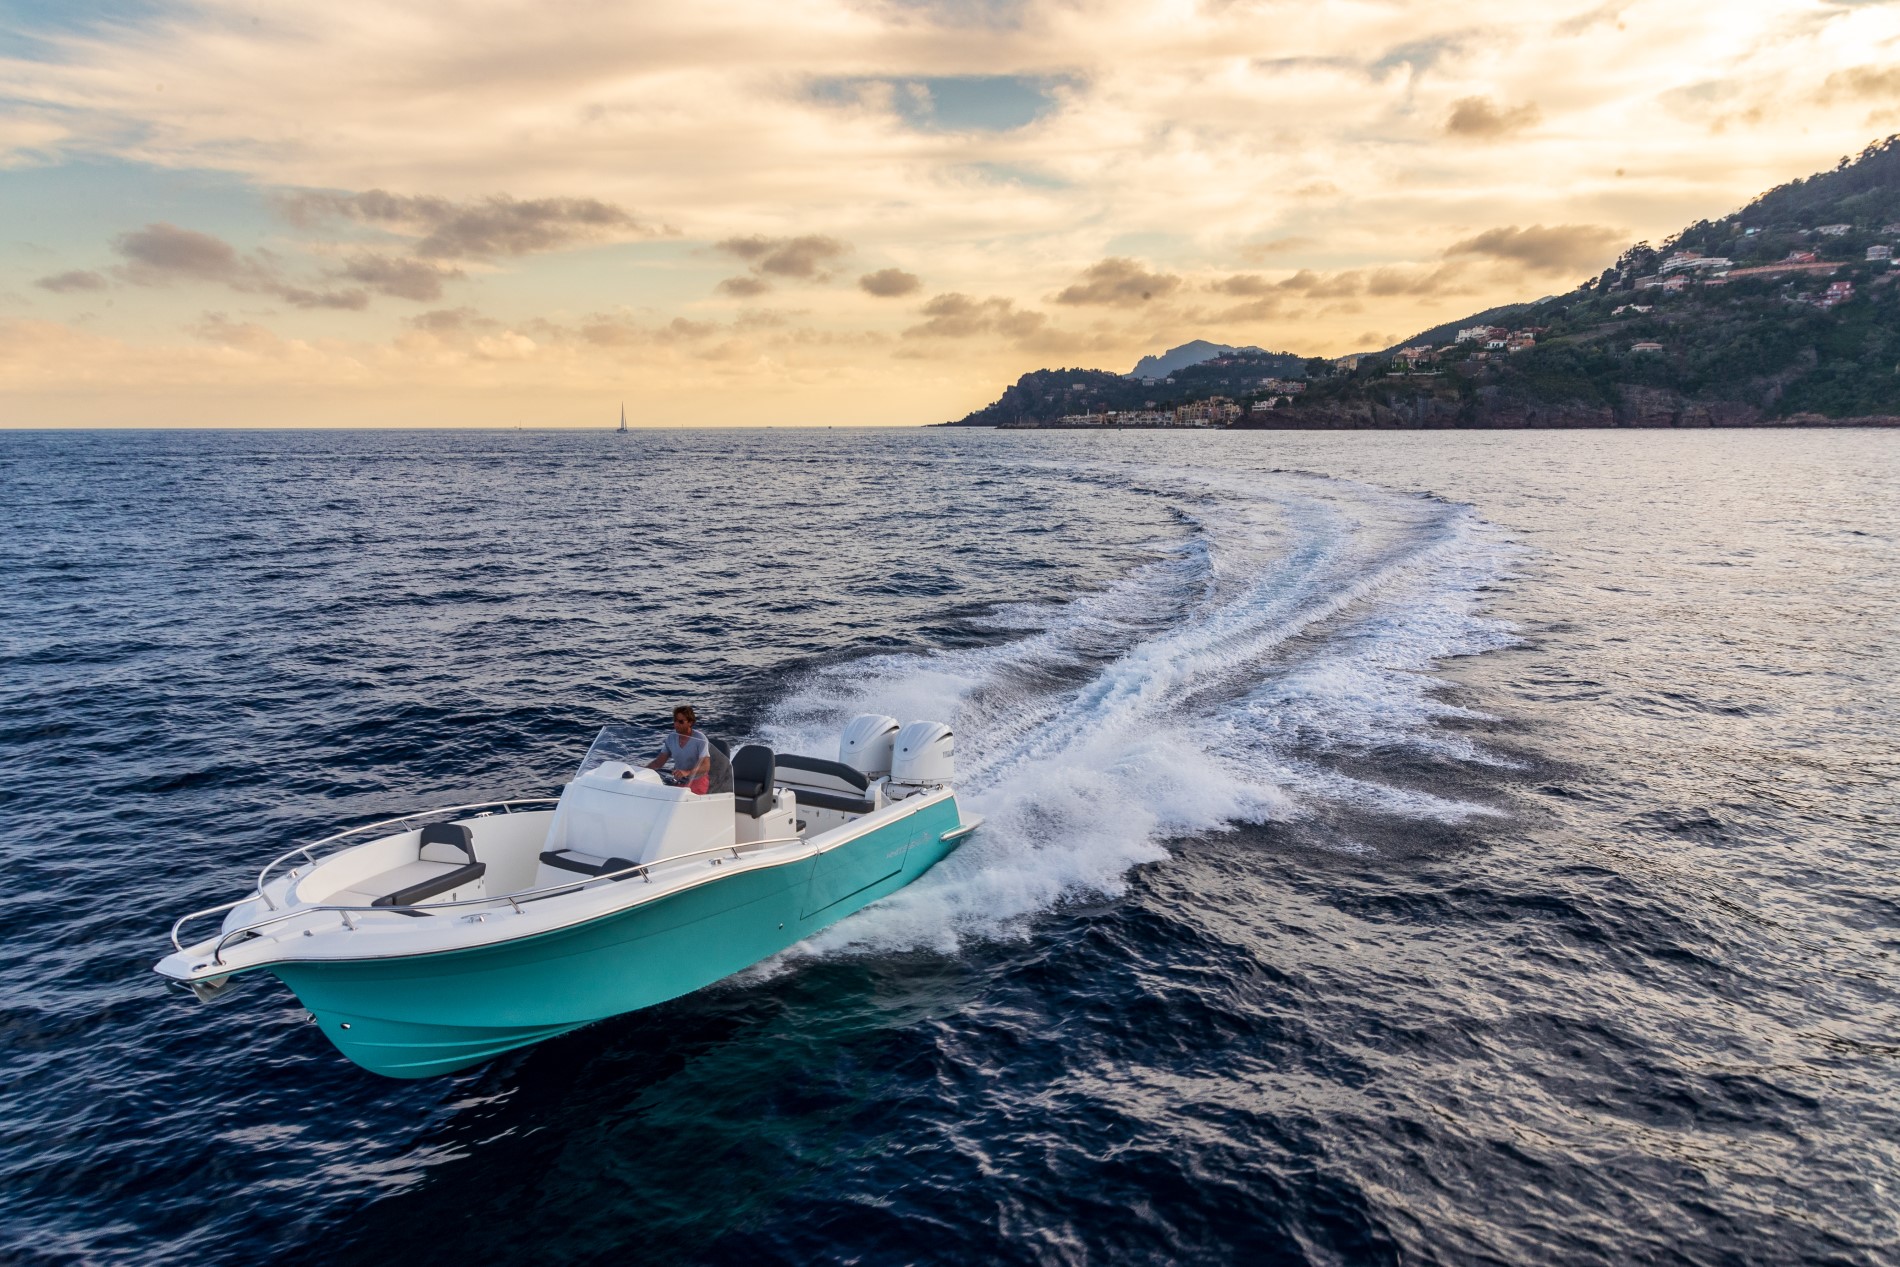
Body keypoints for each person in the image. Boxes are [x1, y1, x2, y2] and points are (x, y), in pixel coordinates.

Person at [647, 705, 711, 794]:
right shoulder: (671, 738)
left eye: (681, 722)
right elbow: (659, 762)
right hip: (679, 779)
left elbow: (706, 766)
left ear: (690, 722)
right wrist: (642, 771)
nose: (676, 724)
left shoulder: (700, 739)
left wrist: (687, 772)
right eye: (675, 721)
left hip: (697, 780)